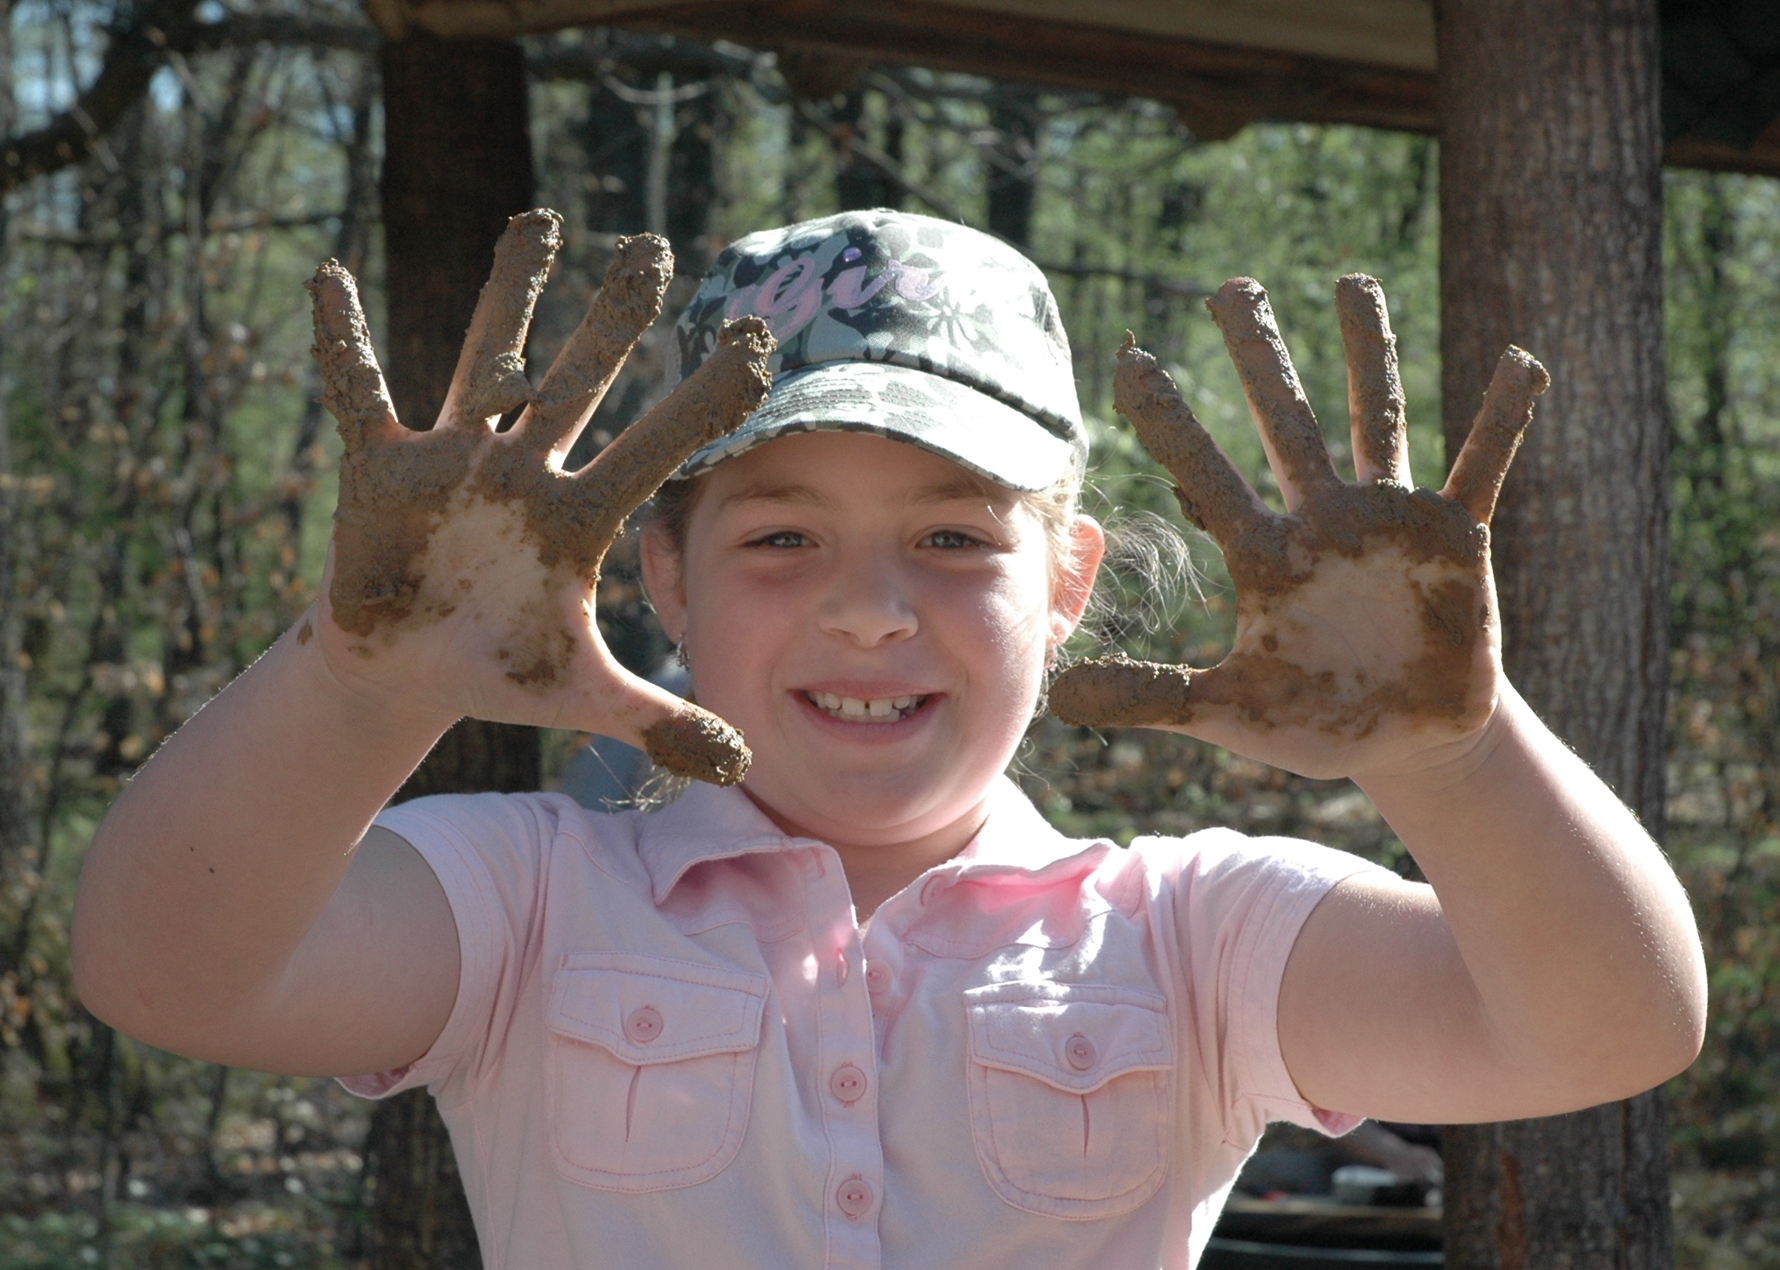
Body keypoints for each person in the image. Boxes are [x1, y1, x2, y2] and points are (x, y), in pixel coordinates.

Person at [70, 208, 1706, 1269]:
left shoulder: (1189, 934)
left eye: (951, 540)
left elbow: (1605, 1029)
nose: (869, 611)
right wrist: (360, 681)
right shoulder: (531, 900)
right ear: (658, 575)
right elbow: (164, 968)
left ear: (1068, 580)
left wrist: (1453, 750)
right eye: (780, 538)